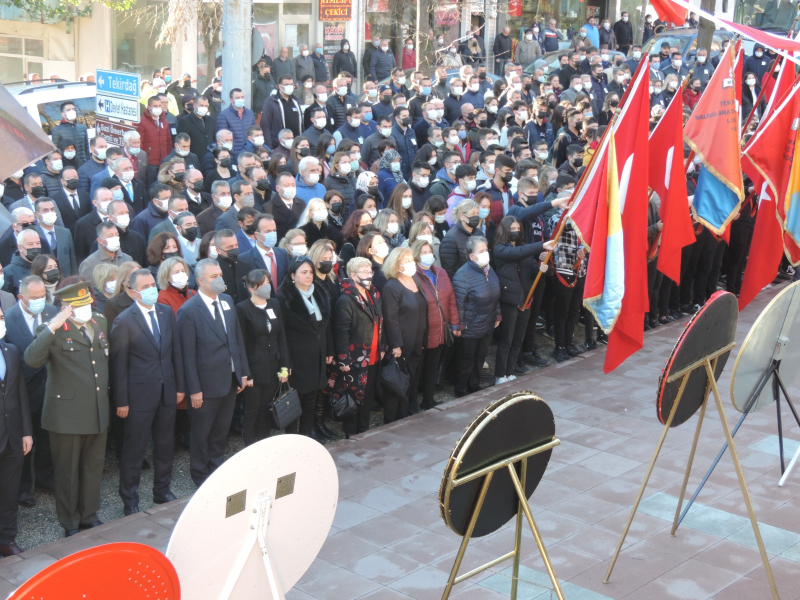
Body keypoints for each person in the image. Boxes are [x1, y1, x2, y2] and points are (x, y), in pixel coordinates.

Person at [24, 282, 110, 537]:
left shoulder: (99, 322)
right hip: (66, 415)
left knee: (93, 467)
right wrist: (52, 325)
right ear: (66, 308)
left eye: (87, 303)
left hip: (97, 409)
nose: (85, 309)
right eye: (78, 306)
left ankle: (89, 514)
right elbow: (32, 359)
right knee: (68, 471)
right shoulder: (51, 330)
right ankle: (70, 521)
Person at [110, 269, 183, 515]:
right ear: (133, 292)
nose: (152, 289)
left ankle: (162, 490)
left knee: (165, 445)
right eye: (145, 286)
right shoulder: (124, 320)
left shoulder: (165, 312)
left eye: (153, 284)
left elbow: (175, 352)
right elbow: (118, 366)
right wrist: (121, 401)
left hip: (166, 391)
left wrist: (179, 386)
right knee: (134, 450)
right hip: (138, 396)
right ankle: (130, 500)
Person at [177, 259, 250, 487]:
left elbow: (237, 339)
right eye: (213, 276)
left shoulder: (227, 301)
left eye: (220, 274)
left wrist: (243, 372)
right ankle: (200, 475)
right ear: (200, 281)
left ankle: (216, 469)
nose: (220, 279)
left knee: (221, 431)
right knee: (201, 433)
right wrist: (194, 390)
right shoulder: (188, 311)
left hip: (229, 380)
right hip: (205, 386)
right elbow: (186, 355)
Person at [5, 276, 56, 510]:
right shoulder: (9, 318)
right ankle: (23, 487)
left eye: (42, 297)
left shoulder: (53, 312)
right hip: (23, 390)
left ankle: (45, 479)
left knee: (46, 438)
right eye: (34, 298)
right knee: (24, 441)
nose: (39, 302)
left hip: (52, 388)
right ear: (21, 297)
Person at [276, 257, 333, 437]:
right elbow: (282, 334)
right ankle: (293, 436)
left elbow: (326, 325)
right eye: (304, 272)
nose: (309, 276)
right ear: (293, 275)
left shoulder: (320, 292)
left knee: (312, 397)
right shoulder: (284, 298)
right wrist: (286, 362)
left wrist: (330, 350)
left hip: (317, 354)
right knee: (295, 398)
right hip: (297, 357)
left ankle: (307, 434)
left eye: (310, 272)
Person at [493, 216, 554, 382]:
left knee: (518, 339)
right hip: (510, 301)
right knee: (507, 339)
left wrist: (543, 268)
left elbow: (534, 270)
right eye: (512, 229)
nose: (516, 231)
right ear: (505, 230)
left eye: (517, 228)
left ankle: (511, 371)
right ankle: (500, 374)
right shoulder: (500, 249)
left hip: (526, 299)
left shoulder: (524, 249)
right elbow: (515, 254)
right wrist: (540, 245)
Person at [235, 270, 290, 446]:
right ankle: (250, 445)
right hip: (254, 368)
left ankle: (264, 444)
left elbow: (281, 337)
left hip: (273, 365)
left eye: (268, 282)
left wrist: (285, 366)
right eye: (262, 284)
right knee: (252, 409)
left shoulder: (274, 304)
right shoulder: (242, 308)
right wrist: (245, 373)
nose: (267, 286)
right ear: (252, 288)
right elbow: (241, 343)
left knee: (267, 408)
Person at [332, 257, 384, 438]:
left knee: (368, 395)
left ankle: (364, 428)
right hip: (355, 358)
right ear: (353, 275)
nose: (368, 275)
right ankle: (351, 433)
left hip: (374, 355)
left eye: (370, 271)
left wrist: (382, 346)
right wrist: (344, 359)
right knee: (354, 397)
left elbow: (379, 321)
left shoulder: (374, 293)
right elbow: (341, 332)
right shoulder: (346, 300)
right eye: (364, 272)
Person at [0, 304, 32, 556]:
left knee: (10, 492)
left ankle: (7, 539)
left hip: (12, 435)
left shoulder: (10, 351)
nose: (1, 322)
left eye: (1, 317)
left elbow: (21, 394)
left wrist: (26, 431)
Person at [381, 247, 427, 420]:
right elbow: (390, 319)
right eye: (405, 261)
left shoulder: (416, 280)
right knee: (397, 381)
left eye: (411, 260)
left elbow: (423, 310)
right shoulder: (392, 286)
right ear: (396, 265)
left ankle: (408, 411)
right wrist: (396, 344)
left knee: (413, 378)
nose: (410, 264)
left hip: (417, 340)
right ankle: (393, 418)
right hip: (401, 344)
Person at [413, 239, 459, 410]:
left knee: (433, 367)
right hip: (423, 331)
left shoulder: (441, 272)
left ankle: (428, 399)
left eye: (429, 252)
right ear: (416, 256)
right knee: (418, 369)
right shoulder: (413, 276)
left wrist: (455, 323)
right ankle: (412, 403)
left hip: (441, 328)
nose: (428, 256)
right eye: (423, 253)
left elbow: (451, 299)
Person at [452, 236, 500, 397]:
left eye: (486, 250)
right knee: (466, 359)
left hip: (487, 322)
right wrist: (459, 325)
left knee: (480, 357)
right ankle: (461, 388)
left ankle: (474, 384)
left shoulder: (489, 270)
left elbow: (495, 293)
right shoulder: (463, 275)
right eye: (481, 251)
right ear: (472, 256)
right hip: (470, 326)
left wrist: (497, 315)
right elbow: (458, 303)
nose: (486, 253)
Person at [440, 199, 480, 279]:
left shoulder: (479, 233)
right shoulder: (450, 239)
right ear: (462, 216)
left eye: (477, 213)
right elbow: (449, 271)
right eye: (472, 214)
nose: (476, 217)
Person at [261, 76, 303, 148]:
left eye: (291, 84)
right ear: (280, 86)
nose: (290, 87)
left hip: (296, 144)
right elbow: (265, 125)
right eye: (287, 85)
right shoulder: (271, 102)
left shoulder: (295, 100)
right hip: (279, 144)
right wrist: (269, 146)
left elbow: (301, 123)